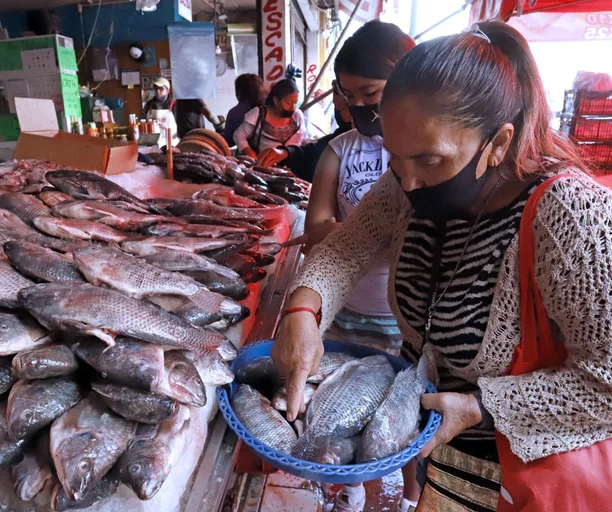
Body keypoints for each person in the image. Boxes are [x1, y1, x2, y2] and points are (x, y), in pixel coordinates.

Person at [272, 21, 612, 512]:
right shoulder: (407, 180)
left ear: (499, 142)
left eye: (429, 160)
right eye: (396, 156)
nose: (407, 181)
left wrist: (482, 408)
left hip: (525, 477)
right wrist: (303, 312)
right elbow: (347, 249)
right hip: (440, 463)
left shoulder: (572, 217)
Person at [286, 21, 416, 512]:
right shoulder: (341, 151)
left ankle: (411, 497)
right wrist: (304, 308)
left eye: (371, 94)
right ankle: (352, 489)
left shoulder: (413, 151)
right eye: (350, 96)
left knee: (400, 413)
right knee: (348, 408)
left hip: (403, 316)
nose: (360, 108)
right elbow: (323, 232)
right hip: (348, 309)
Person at [233, 78, 306, 159]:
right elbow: (239, 135)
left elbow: (303, 140)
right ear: (276, 100)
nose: (293, 107)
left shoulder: (297, 116)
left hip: (293, 165)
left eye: (295, 102)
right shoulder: (259, 114)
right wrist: (252, 156)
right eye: (288, 103)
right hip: (264, 166)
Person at [223, 73, 267, 146]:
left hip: (246, 154)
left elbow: (228, 142)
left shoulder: (234, 113)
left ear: (239, 93)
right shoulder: (269, 109)